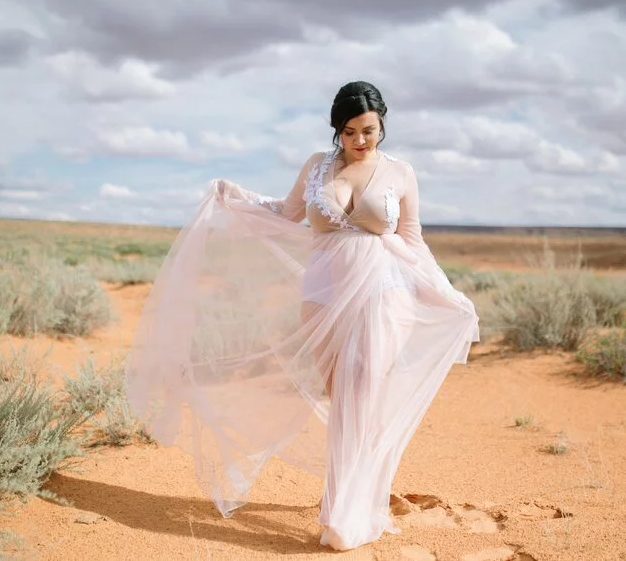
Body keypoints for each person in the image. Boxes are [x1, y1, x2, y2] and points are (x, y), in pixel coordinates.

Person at [126, 81, 479, 551]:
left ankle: (345, 514)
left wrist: (443, 290)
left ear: (383, 126)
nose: (359, 141)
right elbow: (288, 212)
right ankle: (359, 496)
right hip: (322, 295)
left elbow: (412, 238)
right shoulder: (317, 166)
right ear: (337, 129)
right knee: (342, 400)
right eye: (349, 131)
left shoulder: (401, 173)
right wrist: (238, 197)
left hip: (382, 292)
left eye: (369, 131)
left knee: (365, 392)